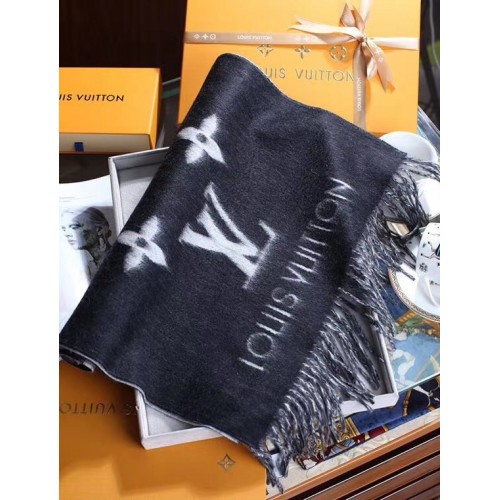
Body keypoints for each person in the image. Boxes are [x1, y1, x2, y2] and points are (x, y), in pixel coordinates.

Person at [61, 207, 112, 280]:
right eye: (64, 229)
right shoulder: (85, 267)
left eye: (74, 227)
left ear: (99, 229)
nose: (66, 234)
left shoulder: (118, 259)